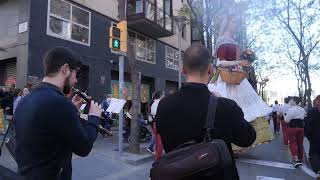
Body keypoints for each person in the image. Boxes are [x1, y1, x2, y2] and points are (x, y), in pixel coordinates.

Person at [156, 44, 256, 179]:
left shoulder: (163, 105)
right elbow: (248, 138)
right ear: (210, 69)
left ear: (183, 69)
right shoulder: (226, 106)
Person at [14, 47, 103, 179]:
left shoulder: (26, 99)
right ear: (65, 69)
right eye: (76, 74)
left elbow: (48, 130)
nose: (76, 80)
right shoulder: (59, 103)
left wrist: (71, 109)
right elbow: (84, 148)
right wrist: (94, 117)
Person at [208, 15, 273, 152]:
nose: (236, 24)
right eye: (234, 21)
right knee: (227, 109)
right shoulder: (223, 40)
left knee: (241, 109)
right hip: (225, 78)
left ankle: (236, 143)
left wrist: (244, 61)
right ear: (227, 23)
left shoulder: (233, 40)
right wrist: (239, 62)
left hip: (237, 77)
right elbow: (220, 63)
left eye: (236, 22)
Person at [284, 96, 306, 167]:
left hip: (293, 127)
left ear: (294, 101)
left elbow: (286, 120)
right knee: (300, 143)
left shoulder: (291, 110)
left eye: (291, 100)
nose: (290, 101)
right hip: (301, 127)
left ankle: (296, 160)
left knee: (293, 143)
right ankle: (300, 158)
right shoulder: (302, 109)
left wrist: (284, 116)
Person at [305, 95, 320, 178]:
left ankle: (318, 171)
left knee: (313, 154)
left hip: (315, 137)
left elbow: (307, 125)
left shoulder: (311, 111)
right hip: (314, 136)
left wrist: (308, 135)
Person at [147, 91, 163, 155]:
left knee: (156, 137)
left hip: (153, 121)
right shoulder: (156, 103)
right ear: (159, 96)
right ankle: (151, 148)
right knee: (159, 140)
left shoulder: (153, 102)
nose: (164, 95)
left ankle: (153, 149)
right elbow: (155, 113)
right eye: (163, 94)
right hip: (156, 121)